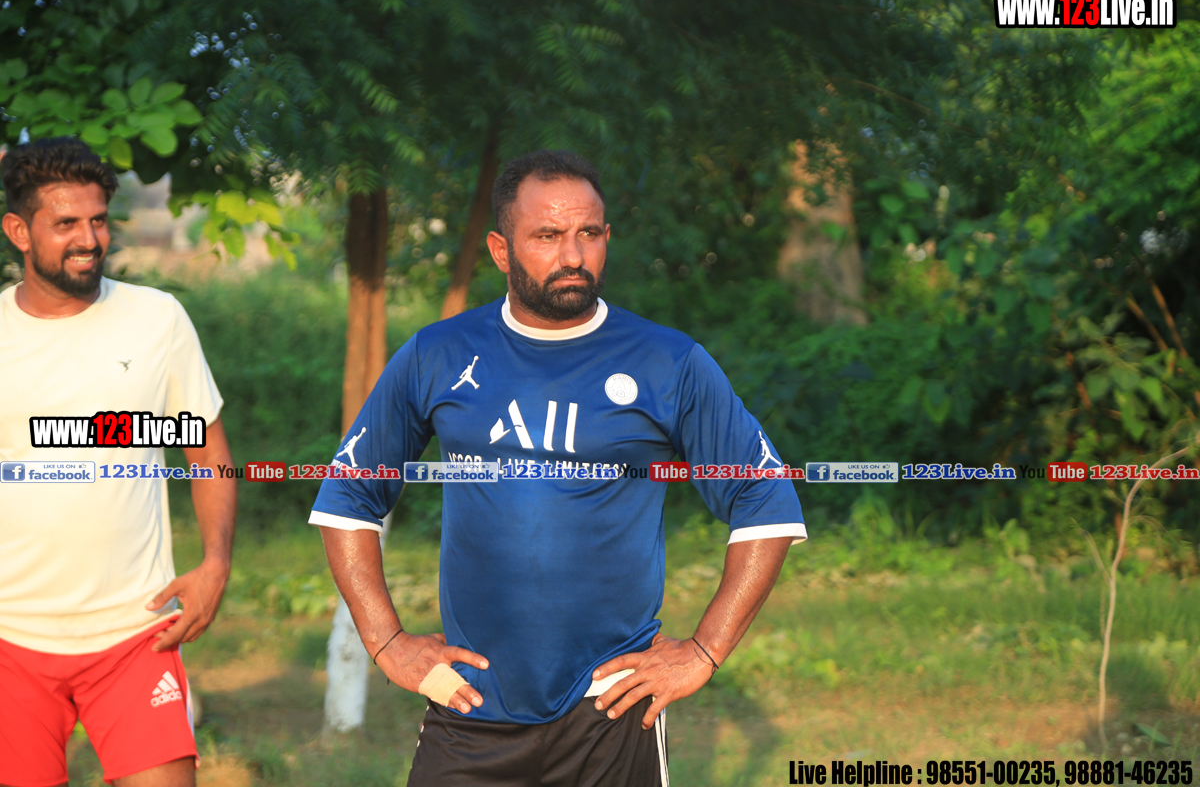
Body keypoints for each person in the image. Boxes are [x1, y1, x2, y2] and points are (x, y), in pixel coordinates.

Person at [309, 150, 805, 786]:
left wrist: (705, 650)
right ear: (500, 249)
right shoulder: (439, 354)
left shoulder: (667, 361)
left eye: (588, 233)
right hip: (469, 705)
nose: (572, 255)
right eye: (547, 236)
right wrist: (385, 641)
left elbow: (765, 497)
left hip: (612, 710)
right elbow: (349, 495)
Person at [0, 138, 236, 787]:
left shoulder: (157, 319)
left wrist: (216, 563)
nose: (89, 240)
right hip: (10, 640)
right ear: (18, 231)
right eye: (66, 224)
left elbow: (207, 450)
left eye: (98, 220)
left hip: (136, 633)